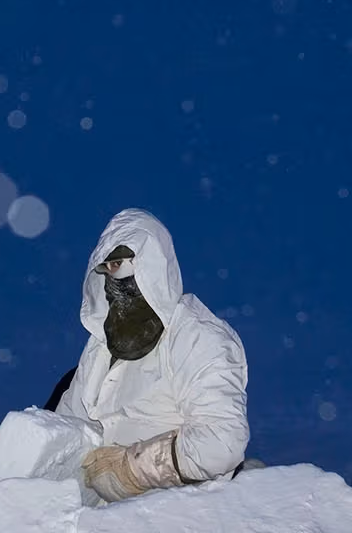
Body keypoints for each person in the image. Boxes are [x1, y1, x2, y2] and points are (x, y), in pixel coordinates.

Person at [55, 208, 249, 503]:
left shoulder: (198, 338)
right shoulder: (100, 346)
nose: (111, 279)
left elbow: (222, 442)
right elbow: (69, 424)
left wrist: (131, 470)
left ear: (150, 265)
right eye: (105, 268)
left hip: (174, 522)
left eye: (118, 265)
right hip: (95, 525)